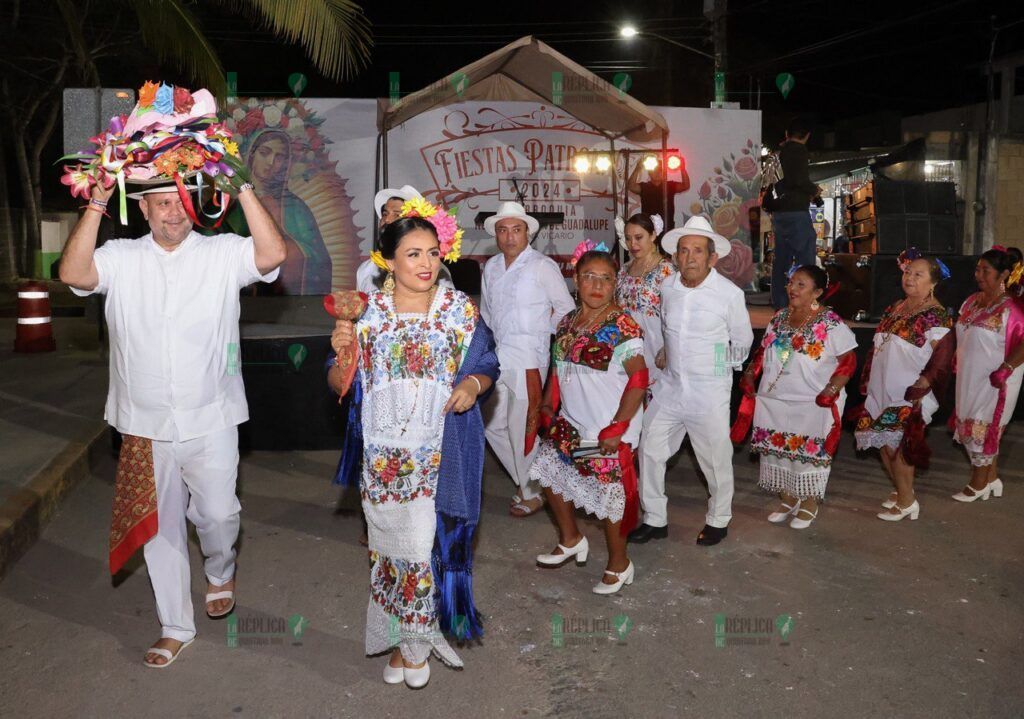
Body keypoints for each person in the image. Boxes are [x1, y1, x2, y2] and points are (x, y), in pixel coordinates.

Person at [59, 180, 286, 668]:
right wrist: (97, 200)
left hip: (214, 413)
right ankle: (175, 626)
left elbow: (270, 255)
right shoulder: (120, 256)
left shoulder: (223, 251)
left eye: (183, 202)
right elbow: (73, 272)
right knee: (159, 527)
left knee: (220, 513)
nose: (175, 213)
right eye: (163, 203)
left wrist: (240, 186)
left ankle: (220, 569)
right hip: (142, 421)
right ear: (142, 208)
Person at [329, 206, 498, 689]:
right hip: (383, 458)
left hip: (440, 453)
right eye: (412, 254)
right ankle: (401, 639)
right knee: (389, 553)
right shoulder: (367, 314)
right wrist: (342, 352)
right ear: (388, 261)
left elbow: (489, 362)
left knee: (424, 548)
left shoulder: (458, 310)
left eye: (431, 252)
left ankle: (416, 644)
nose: (425, 263)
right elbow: (339, 383)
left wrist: (473, 383)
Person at [630, 216, 753, 546]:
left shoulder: (728, 294)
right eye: (683, 251)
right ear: (675, 256)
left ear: (712, 257)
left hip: (708, 390)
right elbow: (669, 328)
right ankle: (655, 518)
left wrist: (715, 372)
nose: (689, 258)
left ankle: (718, 518)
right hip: (670, 386)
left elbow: (741, 341)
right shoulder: (667, 287)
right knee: (650, 448)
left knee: (714, 458)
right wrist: (670, 353)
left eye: (697, 251)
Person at [531, 248, 648, 594]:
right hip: (572, 421)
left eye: (606, 278)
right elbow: (559, 368)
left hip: (606, 430)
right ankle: (571, 538)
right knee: (551, 473)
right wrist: (548, 405)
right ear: (576, 281)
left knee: (609, 497)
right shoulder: (567, 321)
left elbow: (639, 380)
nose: (596, 285)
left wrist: (618, 427)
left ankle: (619, 563)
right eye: (588, 277)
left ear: (616, 284)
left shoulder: (622, 325)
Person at [735, 265, 858, 529]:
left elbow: (848, 360)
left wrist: (832, 390)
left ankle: (810, 503)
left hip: (812, 401)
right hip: (774, 399)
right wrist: (749, 374)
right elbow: (762, 352)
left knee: (809, 455)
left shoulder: (830, 322)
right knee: (777, 452)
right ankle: (788, 499)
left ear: (818, 292)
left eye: (801, 284)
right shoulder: (778, 317)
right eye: (791, 283)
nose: (792, 288)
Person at [480, 201, 576, 518]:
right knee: (491, 424)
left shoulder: (541, 266)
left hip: (528, 356)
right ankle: (533, 483)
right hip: (498, 351)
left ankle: (533, 490)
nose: (509, 237)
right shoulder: (492, 267)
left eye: (516, 230)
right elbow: (487, 313)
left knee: (522, 426)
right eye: (503, 230)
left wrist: (540, 332)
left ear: (528, 234)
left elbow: (565, 308)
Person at [854, 253, 953, 521]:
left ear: (933, 282)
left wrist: (922, 387)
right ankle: (901, 489)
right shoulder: (896, 306)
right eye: (907, 272)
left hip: (909, 391)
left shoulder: (937, 316)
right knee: (883, 443)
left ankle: (908, 502)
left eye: (918, 274)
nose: (909, 277)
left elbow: (942, 359)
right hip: (882, 387)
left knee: (898, 446)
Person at [949, 246, 1024, 503]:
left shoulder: (1012, 308)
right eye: (977, 269)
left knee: (984, 426)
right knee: (968, 423)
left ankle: (978, 482)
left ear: (1003, 274)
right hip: (969, 375)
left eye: (986, 270)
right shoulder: (971, 301)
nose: (979, 274)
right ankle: (992, 478)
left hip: (997, 378)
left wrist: (1006, 369)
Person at [245, 128, 332, 294]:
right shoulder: (231, 204)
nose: (271, 162)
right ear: (251, 155)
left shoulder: (296, 207)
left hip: (285, 301)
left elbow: (320, 259)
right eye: (264, 153)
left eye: (279, 157)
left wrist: (291, 250)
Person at [356, 185, 454, 294]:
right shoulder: (366, 269)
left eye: (397, 215)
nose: (387, 220)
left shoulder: (434, 270)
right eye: (385, 214)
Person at [615, 213, 675, 387]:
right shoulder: (624, 269)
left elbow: (676, 314)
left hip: (656, 348)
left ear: (653, 235)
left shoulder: (667, 270)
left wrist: (668, 349)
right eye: (628, 238)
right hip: (627, 349)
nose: (632, 244)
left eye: (639, 237)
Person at [768, 117, 820, 309]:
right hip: (796, 211)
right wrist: (814, 190)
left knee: (782, 258)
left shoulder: (780, 153)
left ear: (787, 134)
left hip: (781, 212)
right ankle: (803, 304)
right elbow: (797, 179)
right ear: (807, 136)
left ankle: (781, 304)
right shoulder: (798, 151)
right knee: (805, 259)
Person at [627, 159, 690, 230]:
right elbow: (631, 186)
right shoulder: (645, 187)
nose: (657, 173)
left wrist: (682, 168)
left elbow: (685, 185)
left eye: (660, 170)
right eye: (655, 170)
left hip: (667, 225)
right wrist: (638, 168)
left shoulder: (669, 185)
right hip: (649, 226)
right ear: (649, 173)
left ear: (664, 172)